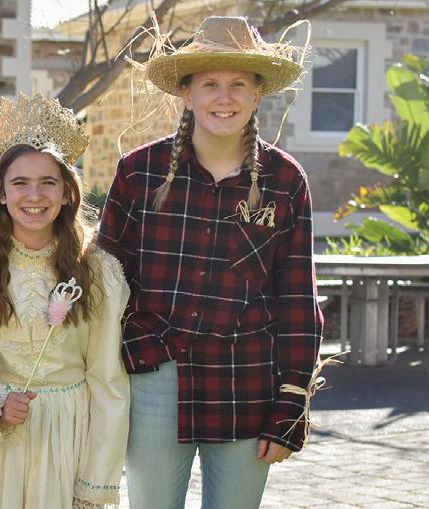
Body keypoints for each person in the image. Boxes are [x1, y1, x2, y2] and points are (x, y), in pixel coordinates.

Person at [97, 16, 322, 508]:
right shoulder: (139, 173)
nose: (225, 97)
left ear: (258, 94)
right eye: (210, 84)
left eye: (238, 84)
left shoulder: (286, 181)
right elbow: (104, 280)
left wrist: (292, 400)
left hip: (247, 381)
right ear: (187, 93)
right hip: (155, 375)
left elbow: (297, 299)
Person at [0, 93, 130, 508]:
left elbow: (107, 380)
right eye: (20, 183)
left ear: (67, 193)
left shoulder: (96, 270)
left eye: (48, 182)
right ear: (0, 193)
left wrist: (95, 481)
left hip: (70, 433)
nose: (34, 195)